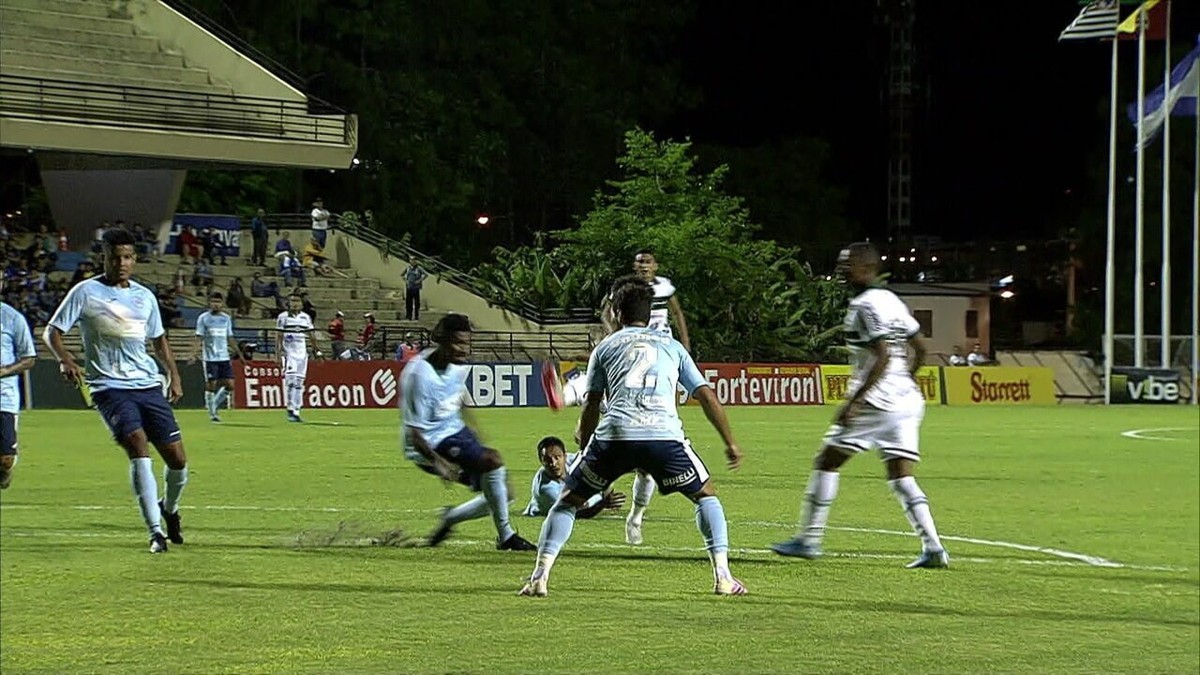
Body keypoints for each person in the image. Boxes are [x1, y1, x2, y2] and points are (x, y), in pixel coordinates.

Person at [518, 277, 747, 597]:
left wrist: (585, 445)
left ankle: (539, 577)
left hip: (615, 437)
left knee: (567, 502)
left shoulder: (605, 347)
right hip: (663, 437)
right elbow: (706, 396)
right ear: (650, 312)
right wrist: (730, 443)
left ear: (616, 311)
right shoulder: (671, 346)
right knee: (706, 495)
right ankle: (723, 577)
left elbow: (592, 402)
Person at [771, 242, 948, 569]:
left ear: (866, 268)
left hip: (877, 400)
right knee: (901, 475)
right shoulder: (891, 300)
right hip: (906, 400)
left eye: (846, 264)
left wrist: (857, 401)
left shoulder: (865, 307)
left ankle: (809, 540)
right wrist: (904, 380)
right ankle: (933, 548)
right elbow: (920, 349)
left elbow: (880, 356)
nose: (840, 270)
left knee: (826, 461)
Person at [43, 228, 190, 553]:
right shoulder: (85, 292)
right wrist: (65, 359)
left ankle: (170, 509)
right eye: (114, 257)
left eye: (127, 257)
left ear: (134, 260)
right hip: (108, 387)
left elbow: (159, 339)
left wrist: (174, 375)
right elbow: (52, 332)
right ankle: (155, 533)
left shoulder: (144, 296)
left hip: (148, 385)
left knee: (178, 461)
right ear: (104, 258)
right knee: (138, 446)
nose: (121, 263)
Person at [400, 313, 537, 552]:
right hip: (431, 443)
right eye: (457, 343)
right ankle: (506, 537)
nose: (464, 349)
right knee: (492, 461)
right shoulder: (418, 376)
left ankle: (451, 518)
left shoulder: (455, 366)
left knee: (505, 494)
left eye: (466, 343)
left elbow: (458, 396)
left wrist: (473, 428)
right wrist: (440, 463)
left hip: (456, 432)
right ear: (440, 340)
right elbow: (414, 433)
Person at [602, 249, 690, 351]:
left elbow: (676, 313)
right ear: (634, 266)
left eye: (648, 262)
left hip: (661, 340)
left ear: (655, 266)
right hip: (635, 341)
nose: (644, 266)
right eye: (641, 262)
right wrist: (614, 334)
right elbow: (606, 314)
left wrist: (685, 342)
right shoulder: (626, 287)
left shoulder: (664, 286)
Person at [523, 436, 626, 519]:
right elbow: (577, 513)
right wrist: (603, 501)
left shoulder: (572, 460)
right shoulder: (546, 489)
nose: (553, 463)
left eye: (557, 457)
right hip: (545, 512)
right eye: (547, 460)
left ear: (565, 456)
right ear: (541, 462)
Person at [1, 276, 38, 489]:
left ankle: (5, 468)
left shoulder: (12, 318)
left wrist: (6, 370)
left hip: (3, 397)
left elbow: (29, 358)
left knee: (5, 459)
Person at [192, 292, 241, 422]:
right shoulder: (203, 318)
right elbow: (199, 337)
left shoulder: (226, 318)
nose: (216, 304)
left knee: (230, 385)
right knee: (211, 385)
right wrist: (193, 353)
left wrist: (239, 353)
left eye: (218, 302)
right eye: (213, 301)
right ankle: (212, 412)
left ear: (222, 303)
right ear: (209, 303)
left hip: (224, 356)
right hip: (210, 357)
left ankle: (213, 404)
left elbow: (229, 337)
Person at [276, 293, 316, 423]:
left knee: (299, 383)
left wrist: (317, 351)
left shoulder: (305, 318)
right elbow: (279, 337)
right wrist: (278, 354)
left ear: (301, 303)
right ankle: (290, 408)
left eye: (297, 301)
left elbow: (311, 335)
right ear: (288, 303)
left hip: (302, 354)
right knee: (291, 381)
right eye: (292, 301)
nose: (295, 303)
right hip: (289, 354)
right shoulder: (283, 317)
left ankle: (297, 410)